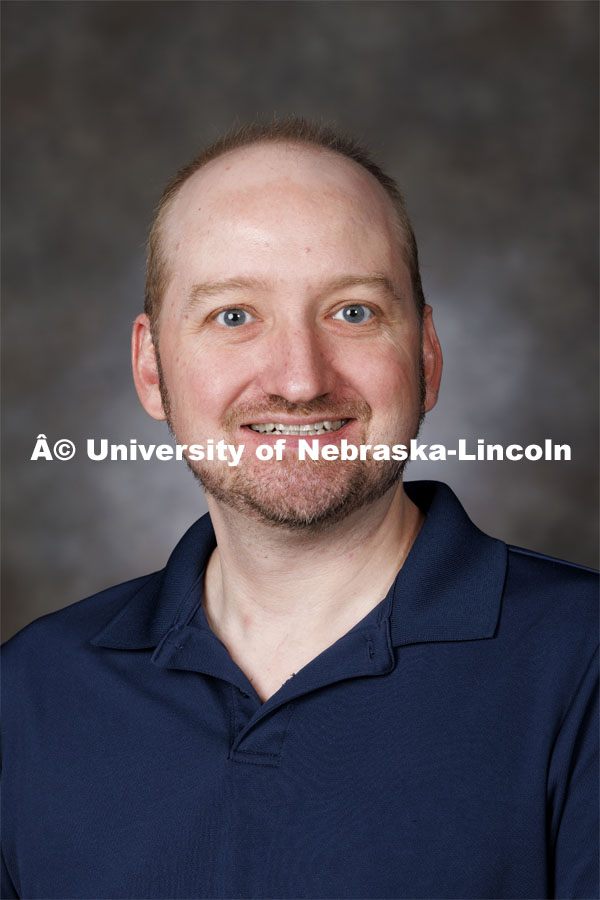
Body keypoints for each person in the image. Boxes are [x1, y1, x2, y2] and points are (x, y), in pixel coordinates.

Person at [2, 118, 598, 900]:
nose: (298, 380)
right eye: (234, 316)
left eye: (352, 311)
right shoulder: (31, 692)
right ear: (151, 370)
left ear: (425, 358)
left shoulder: (582, 663)